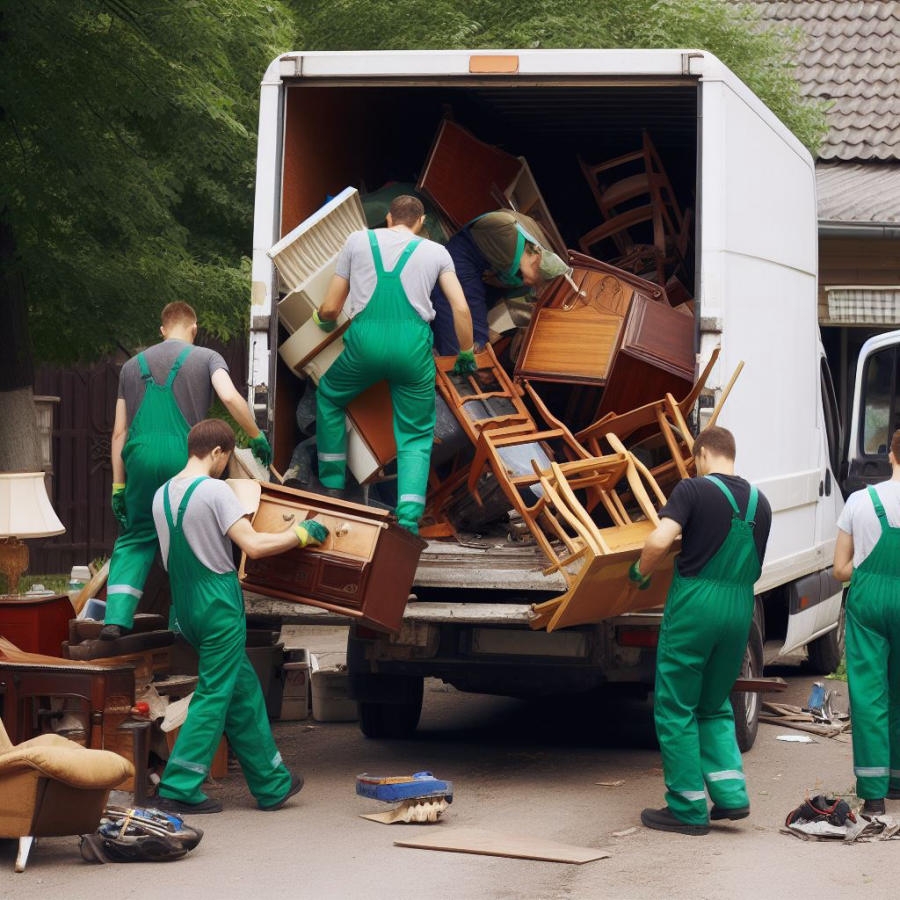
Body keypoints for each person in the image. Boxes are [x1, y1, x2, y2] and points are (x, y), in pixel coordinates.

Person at [152, 418, 328, 815]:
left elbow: (167, 557)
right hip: (218, 602)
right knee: (215, 692)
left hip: (185, 605)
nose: (225, 467)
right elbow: (254, 545)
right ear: (218, 452)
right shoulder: (216, 491)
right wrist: (300, 534)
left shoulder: (161, 494)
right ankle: (179, 786)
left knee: (242, 689)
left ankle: (271, 782)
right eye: (226, 459)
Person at [631, 425, 772, 836]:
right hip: (740, 607)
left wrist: (640, 572)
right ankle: (731, 796)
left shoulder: (692, 489)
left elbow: (660, 540)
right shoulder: (760, 502)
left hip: (697, 606)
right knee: (714, 703)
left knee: (676, 706)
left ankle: (687, 808)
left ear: (703, 453)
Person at [101, 301, 272, 640]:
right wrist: (255, 434)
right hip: (185, 458)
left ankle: (115, 619)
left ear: (162, 330)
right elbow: (229, 397)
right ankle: (181, 624)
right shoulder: (207, 357)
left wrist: (118, 485)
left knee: (135, 536)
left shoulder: (131, 367)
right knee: (183, 535)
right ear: (194, 328)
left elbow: (119, 432)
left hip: (139, 458)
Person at [313, 194, 474, 534]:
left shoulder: (357, 241)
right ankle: (409, 521)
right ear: (421, 223)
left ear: (388, 218)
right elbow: (460, 308)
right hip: (412, 352)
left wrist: (322, 319)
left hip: (365, 347)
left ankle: (332, 485)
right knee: (415, 434)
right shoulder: (437, 252)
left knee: (329, 396)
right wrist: (466, 352)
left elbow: (330, 307)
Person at [833, 428, 900, 817]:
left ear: (891, 456)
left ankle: (874, 797)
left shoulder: (860, 501)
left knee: (870, 695)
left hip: (869, 602)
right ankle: (897, 779)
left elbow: (840, 569)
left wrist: (868, 575)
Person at [429, 209, 570, 356]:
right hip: (460, 258)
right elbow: (473, 299)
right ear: (535, 258)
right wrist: (480, 341)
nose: (528, 283)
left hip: (475, 258)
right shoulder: (511, 239)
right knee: (457, 333)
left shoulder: (530, 246)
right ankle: (450, 361)